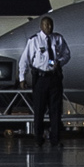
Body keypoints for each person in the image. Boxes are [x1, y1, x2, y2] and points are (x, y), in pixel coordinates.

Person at [15, 8, 70, 144]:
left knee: (55, 110)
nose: (49, 27)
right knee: (39, 110)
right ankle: (38, 139)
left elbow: (67, 54)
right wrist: (22, 78)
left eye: (51, 25)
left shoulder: (58, 38)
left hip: (54, 77)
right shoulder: (34, 41)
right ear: (41, 26)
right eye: (46, 25)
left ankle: (55, 139)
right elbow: (25, 60)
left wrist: (60, 62)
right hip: (40, 78)